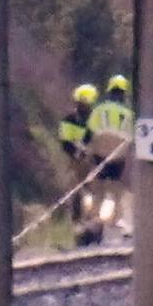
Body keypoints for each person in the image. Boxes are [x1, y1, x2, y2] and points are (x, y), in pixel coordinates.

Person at [86, 75, 135, 232]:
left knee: (98, 190)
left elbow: (89, 134)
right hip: (119, 154)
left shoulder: (98, 110)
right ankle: (116, 221)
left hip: (99, 152)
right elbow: (133, 137)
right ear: (123, 93)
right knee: (116, 190)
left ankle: (94, 222)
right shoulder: (128, 113)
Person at [58, 85, 97, 224]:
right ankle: (76, 220)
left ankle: (94, 220)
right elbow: (65, 143)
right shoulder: (68, 120)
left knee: (96, 190)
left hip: (92, 161)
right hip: (74, 161)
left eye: (85, 104)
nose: (84, 107)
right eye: (81, 103)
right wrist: (78, 154)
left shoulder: (95, 120)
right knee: (74, 190)